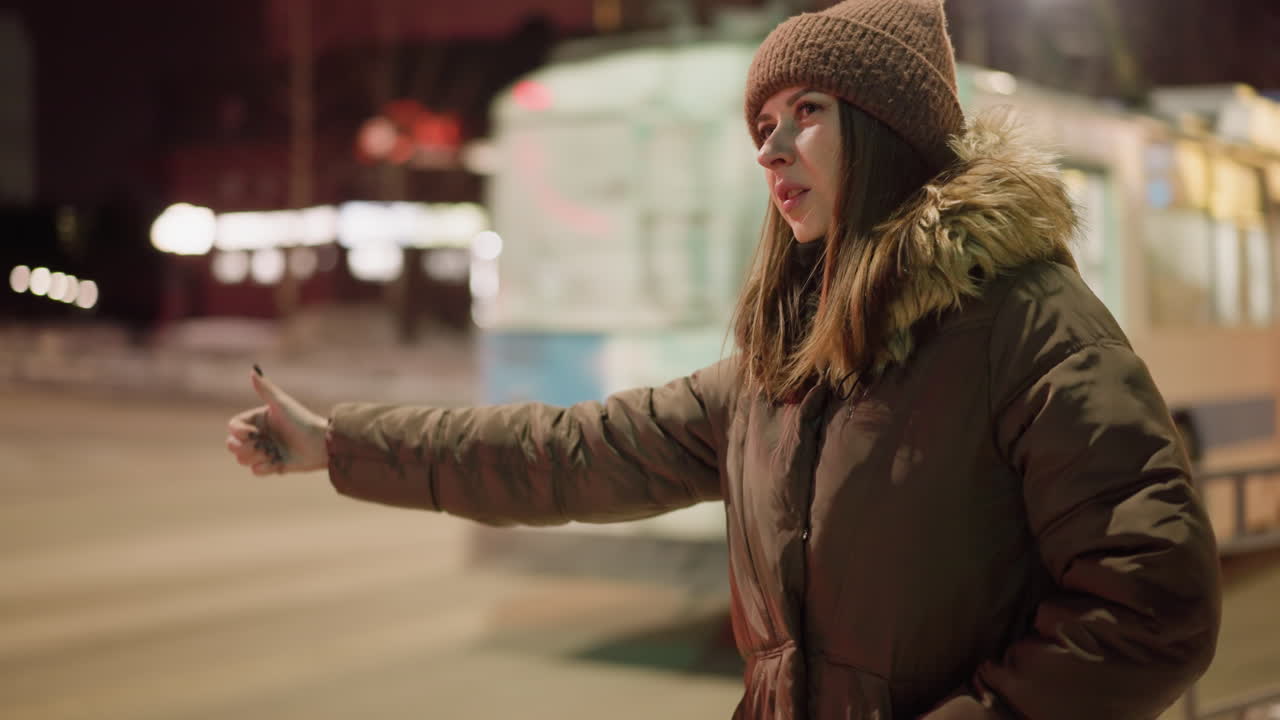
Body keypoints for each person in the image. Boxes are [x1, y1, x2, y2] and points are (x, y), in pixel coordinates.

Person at [225, 1, 1221, 717]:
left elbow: (1152, 605)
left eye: (807, 112)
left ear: (888, 131)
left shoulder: (1027, 326)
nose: (769, 148)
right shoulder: (780, 367)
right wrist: (338, 444)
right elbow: (570, 451)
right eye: (762, 123)